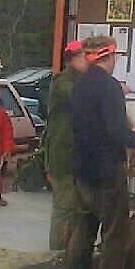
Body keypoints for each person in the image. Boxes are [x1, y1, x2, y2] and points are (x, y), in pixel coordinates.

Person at [67, 35, 135, 269]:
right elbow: (116, 131)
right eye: (114, 56)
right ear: (108, 57)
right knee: (115, 232)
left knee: (85, 226)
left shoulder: (80, 85)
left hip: (82, 168)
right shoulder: (110, 86)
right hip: (107, 171)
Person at [43, 40, 89, 250]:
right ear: (73, 59)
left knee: (78, 210)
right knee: (64, 209)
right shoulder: (63, 81)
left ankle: (71, 252)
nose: (88, 60)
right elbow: (79, 97)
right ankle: (57, 254)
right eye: (84, 56)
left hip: (78, 158)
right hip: (63, 158)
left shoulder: (82, 81)